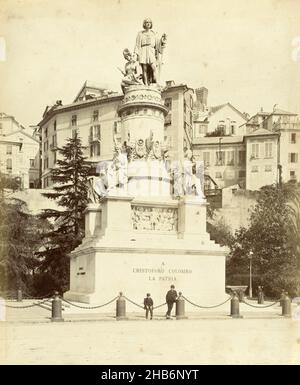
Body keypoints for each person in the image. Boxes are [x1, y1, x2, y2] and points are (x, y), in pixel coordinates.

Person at [134, 18, 167, 85]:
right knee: (144, 69)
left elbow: (158, 45)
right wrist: (135, 54)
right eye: (146, 22)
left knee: (154, 67)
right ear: (144, 24)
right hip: (143, 51)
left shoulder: (154, 34)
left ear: (151, 24)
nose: (148, 23)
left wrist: (162, 41)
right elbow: (137, 45)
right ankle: (146, 84)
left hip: (151, 51)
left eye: (149, 22)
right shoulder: (140, 34)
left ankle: (156, 82)